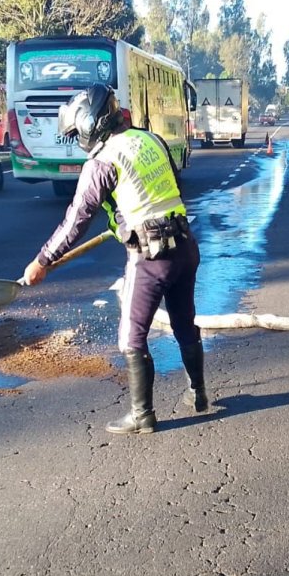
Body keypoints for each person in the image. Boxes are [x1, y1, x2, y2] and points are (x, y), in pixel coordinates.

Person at [21, 84, 207, 434]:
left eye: (77, 132)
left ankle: (142, 415)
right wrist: (124, 220)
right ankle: (198, 393)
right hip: (185, 244)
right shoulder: (150, 140)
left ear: (91, 123)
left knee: (131, 338)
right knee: (184, 323)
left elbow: (76, 219)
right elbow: (168, 190)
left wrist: (42, 260)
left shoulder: (102, 162)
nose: (77, 139)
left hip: (150, 256)